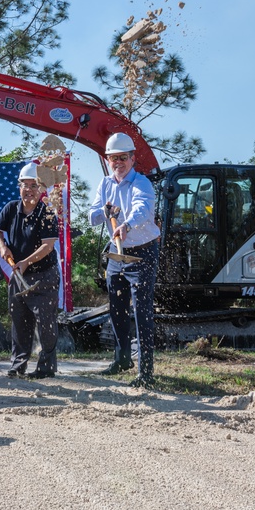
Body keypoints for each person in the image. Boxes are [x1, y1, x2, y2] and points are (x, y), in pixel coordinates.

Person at [89, 132, 162, 388]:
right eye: (113, 158)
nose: (117, 162)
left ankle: (146, 371)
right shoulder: (105, 184)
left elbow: (142, 209)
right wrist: (104, 212)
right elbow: (92, 216)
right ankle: (121, 360)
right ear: (107, 160)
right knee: (116, 307)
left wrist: (126, 225)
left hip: (141, 252)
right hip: (116, 255)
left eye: (122, 157)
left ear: (132, 158)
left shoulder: (142, 183)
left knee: (141, 312)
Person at [0, 163, 60, 379]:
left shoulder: (47, 212)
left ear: (41, 188)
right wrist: (2, 247)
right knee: (19, 320)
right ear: (19, 186)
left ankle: (46, 367)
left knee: (46, 323)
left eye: (33, 185)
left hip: (44, 275)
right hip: (19, 274)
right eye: (24, 185)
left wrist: (26, 262)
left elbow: (47, 245)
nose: (28, 190)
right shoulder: (11, 208)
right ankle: (18, 364)